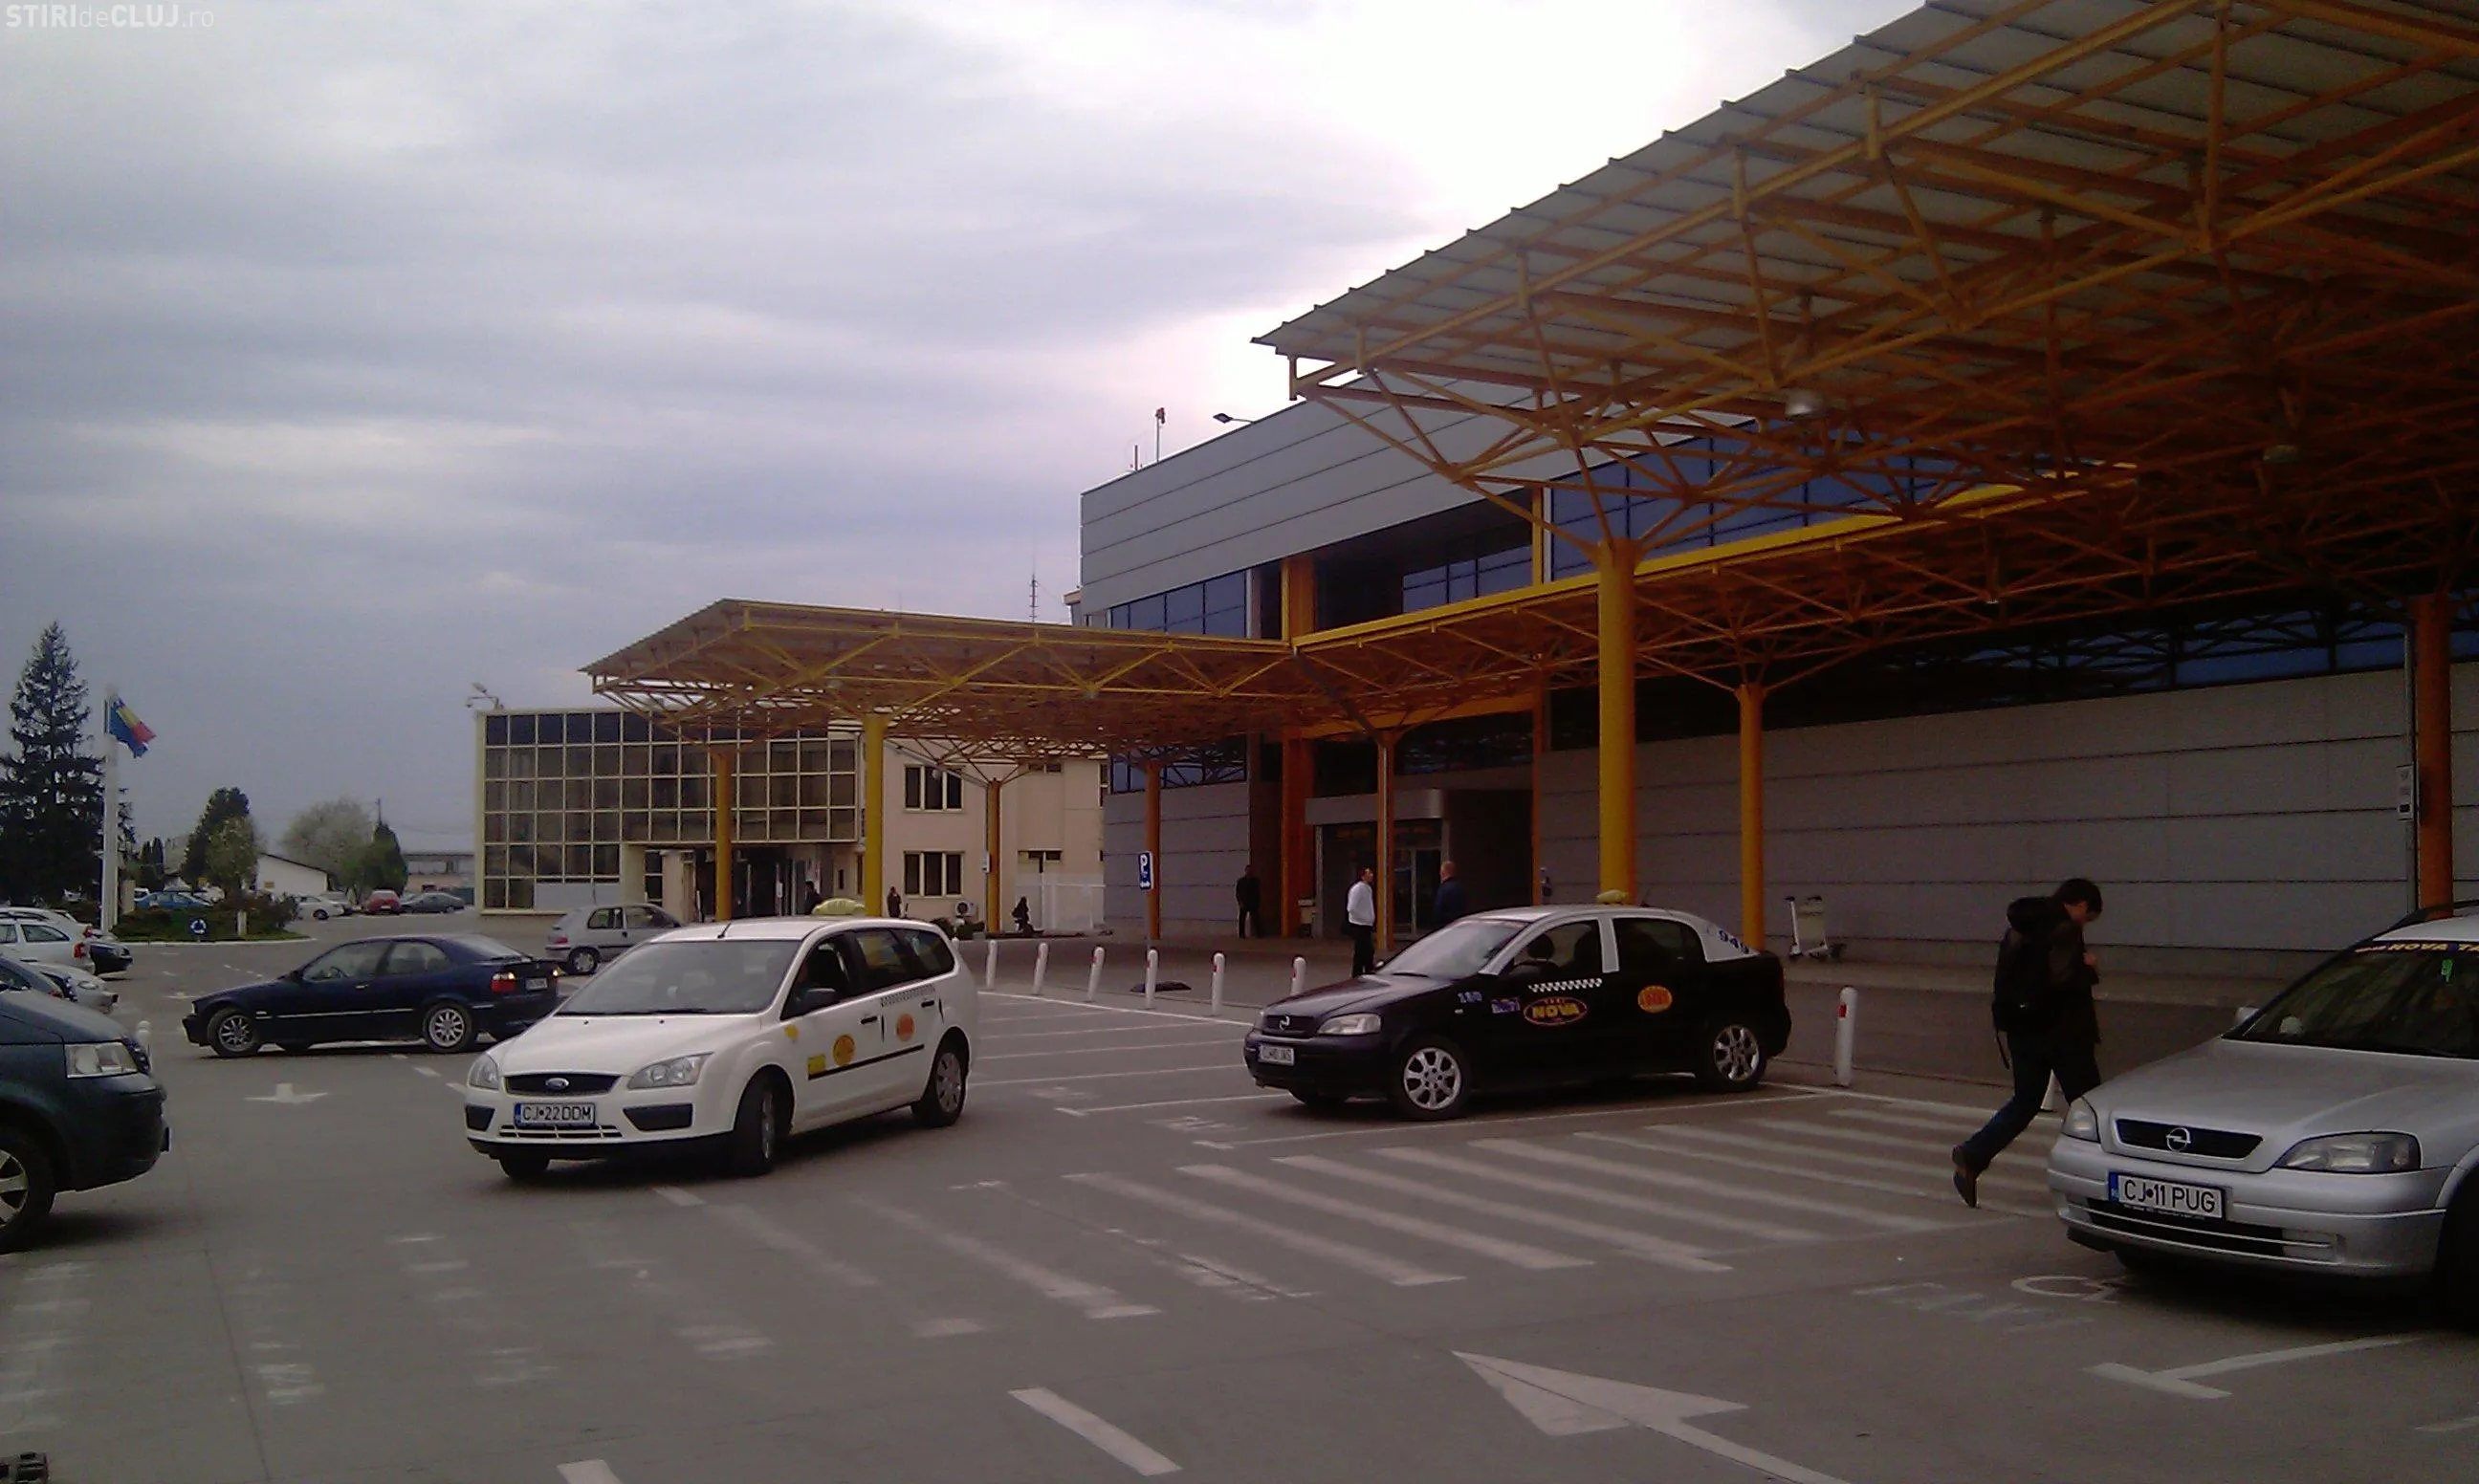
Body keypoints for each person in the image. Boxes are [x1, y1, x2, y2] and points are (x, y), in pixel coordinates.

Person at [1954, 878, 2106, 1208]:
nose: (2085, 923)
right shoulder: (2064, 929)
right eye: (2088, 917)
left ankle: (1973, 1154)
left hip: (2023, 1030)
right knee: (2090, 1106)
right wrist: (2088, 968)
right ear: (2080, 904)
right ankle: (2099, 1184)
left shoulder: (2019, 927)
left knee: (2025, 1100)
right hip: (2064, 1033)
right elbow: (2062, 980)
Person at [1345, 865, 1378, 976]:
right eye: (1368, 873)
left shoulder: (1367, 888)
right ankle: (1358, 973)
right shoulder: (1357, 889)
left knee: (1367, 949)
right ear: (1362, 876)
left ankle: (1368, 969)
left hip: (1366, 924)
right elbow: (1351, 908)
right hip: (1360, 924)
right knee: (1361, 950)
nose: (1371, 875)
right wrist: (1363, 918)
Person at [1433, 860, 1469, 928]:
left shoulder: (1443, 889)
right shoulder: (1461, 887)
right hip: (1460, 924)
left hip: (1446, 925)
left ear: (1443, 873)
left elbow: (1438, 910)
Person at [1236, 863, 1262, 939]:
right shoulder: (1241, 881)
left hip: (1253, 902)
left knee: (1256, 919)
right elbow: (1238, 893)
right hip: (1244, 902)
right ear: (1245, 871)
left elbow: (1258, 893)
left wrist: (1257, 902)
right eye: (1248, 870)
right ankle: (1241, 934)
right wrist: (1240, 902)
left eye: (1250, 871)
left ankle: (1259, 933)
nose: (1249, 872)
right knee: (1242, 919)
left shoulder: (1256, 881)